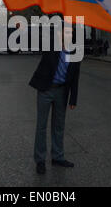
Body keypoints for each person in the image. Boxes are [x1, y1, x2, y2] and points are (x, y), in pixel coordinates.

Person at [29, 24, 82, 175]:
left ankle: (57, 157)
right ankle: (40, 160)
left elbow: (75, 77)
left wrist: (73, 99)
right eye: (66, 32)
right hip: (45, 89)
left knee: (59, 126)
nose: (69, 35)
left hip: (62, 92)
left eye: (71, 33)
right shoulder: (50, 45)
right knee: (41, 126)